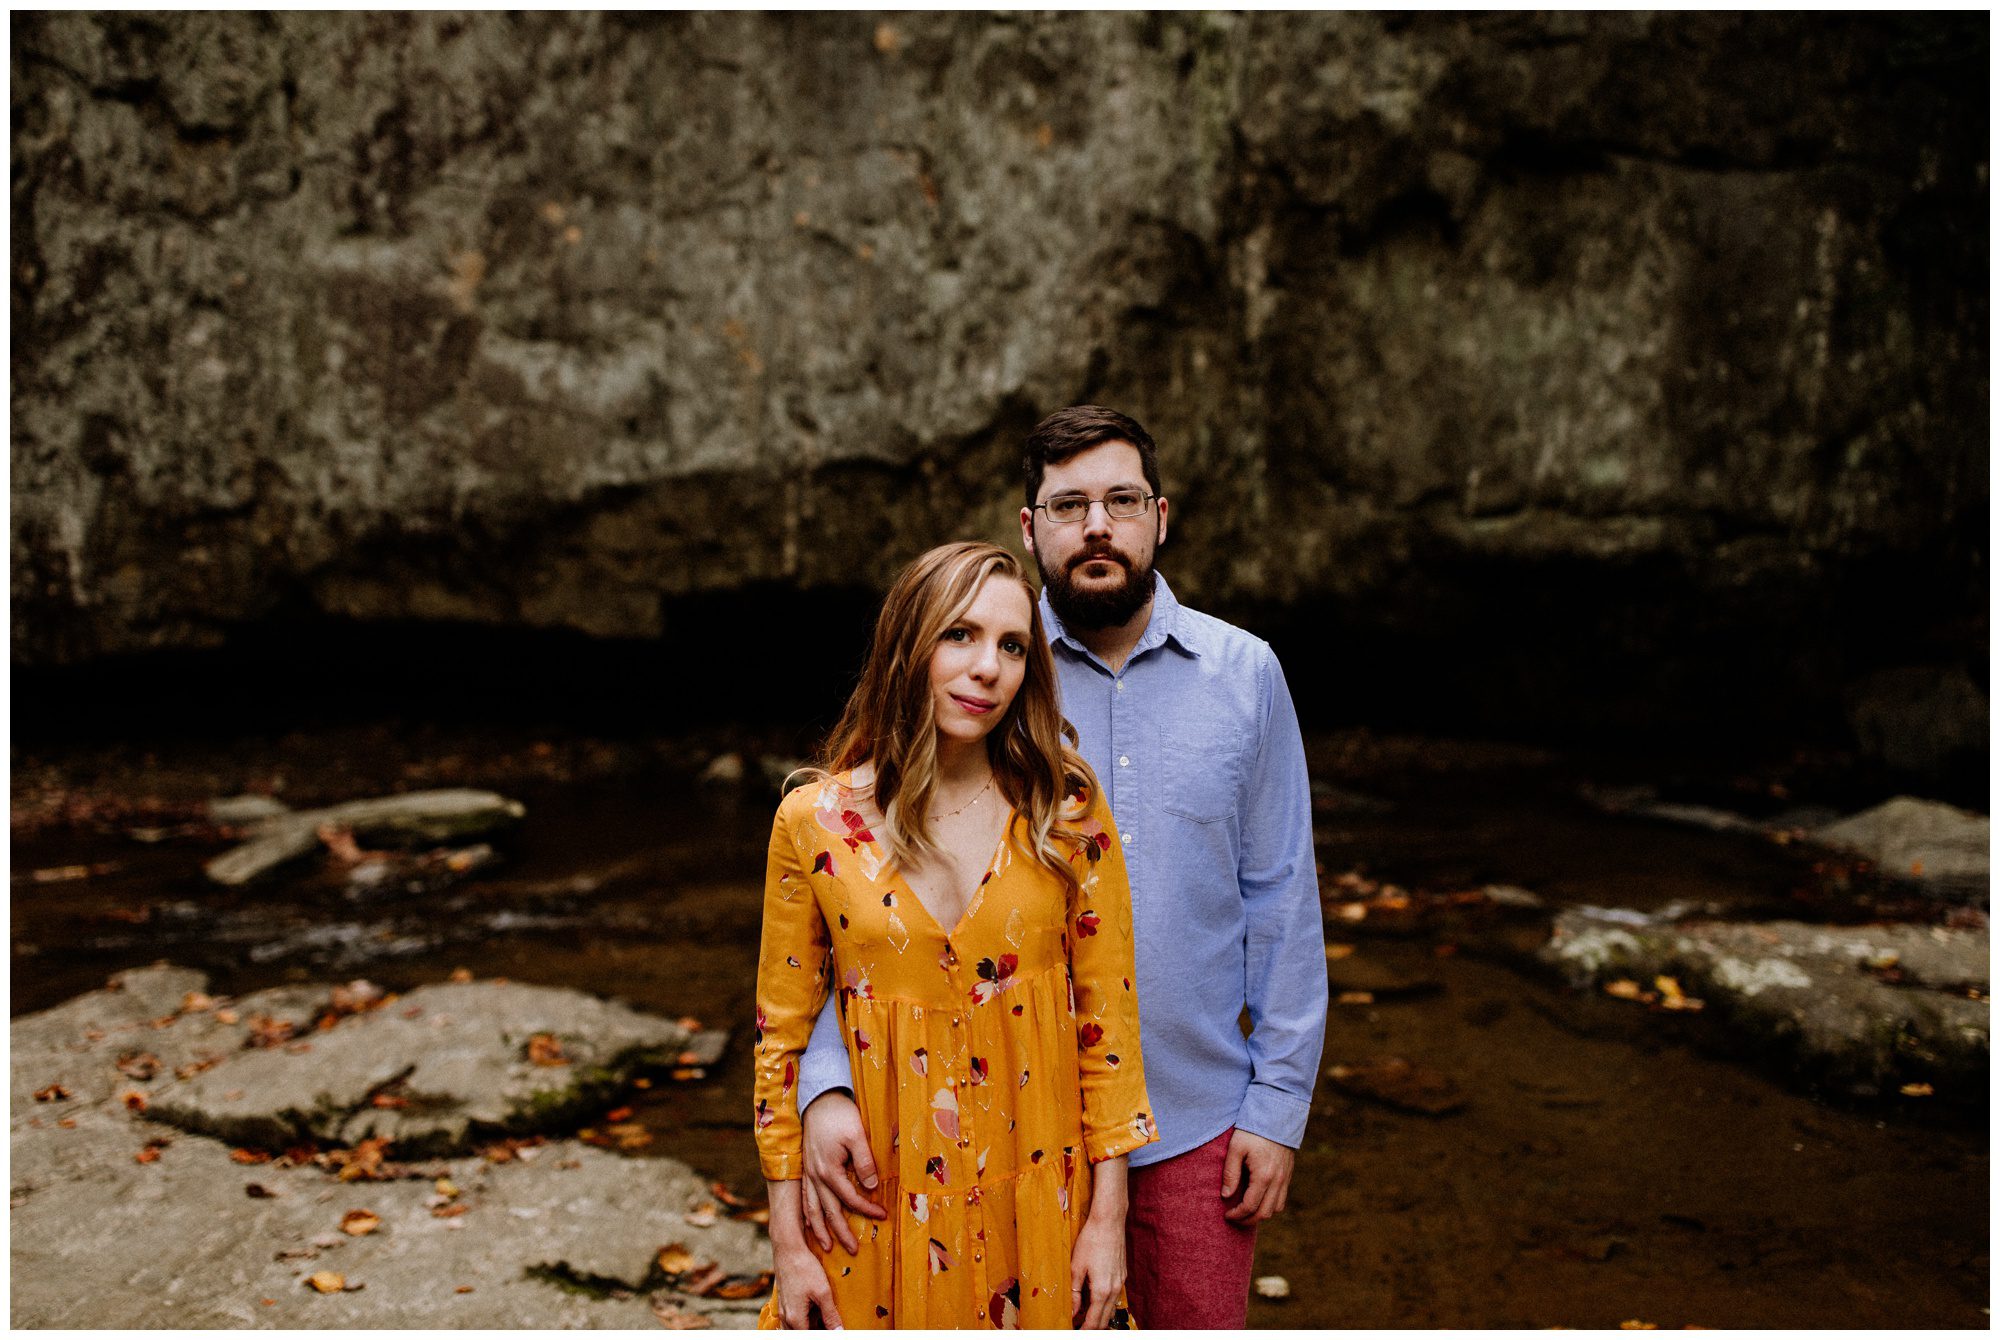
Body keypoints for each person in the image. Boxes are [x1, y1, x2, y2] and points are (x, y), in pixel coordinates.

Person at [791, 406, 1327, 1328]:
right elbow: (861, 910)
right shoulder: (977, 673)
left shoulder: (1246, 677)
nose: (1097, 526)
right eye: (1068, 504)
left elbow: (1281, 895)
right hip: (992, 1127)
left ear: (1162, 516)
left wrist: (1278, 1105)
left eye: (1121, 500)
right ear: (1030, 528)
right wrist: (824, 1084)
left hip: (1193, 1123)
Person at [753, 540, 1157, 1329]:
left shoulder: (1065, 808)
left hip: (1038, 1190)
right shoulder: (814, 821)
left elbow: (1109, 1028)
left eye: (1012, 646)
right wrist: (787, 1242)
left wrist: (1107, 1222)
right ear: (909, 642)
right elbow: (782, 1034)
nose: (988, 669)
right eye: (960, 635)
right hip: (874, 1197)